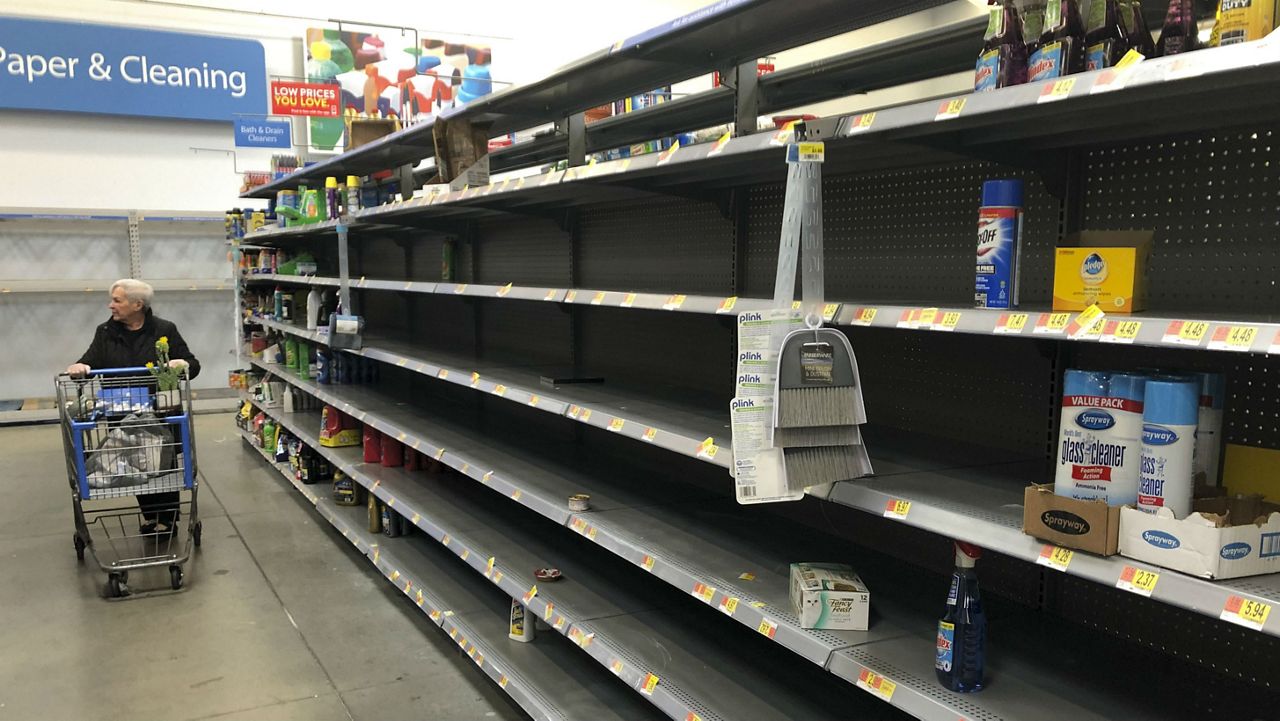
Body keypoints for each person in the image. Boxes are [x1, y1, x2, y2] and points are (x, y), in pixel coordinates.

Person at [67, 279, 201, 537]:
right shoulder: (105, 332)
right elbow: (89, 361)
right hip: (122, 414)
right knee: (134, 466)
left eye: (117, 300)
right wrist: (79, 368)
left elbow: (192, 365)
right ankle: (151, 515)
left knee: (160, 465)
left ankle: (168, 517)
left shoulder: (164, 330)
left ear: (137, 304)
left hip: (160, 414)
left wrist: (181, 363)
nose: (111, 305)